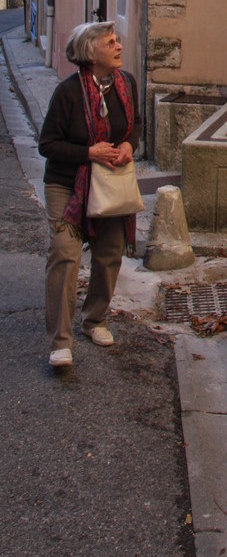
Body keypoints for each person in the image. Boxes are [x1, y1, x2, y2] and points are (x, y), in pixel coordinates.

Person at [39, 21, 142, 370]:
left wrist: (128, 144)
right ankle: (61, 341)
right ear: (90, 52)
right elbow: (47, 145)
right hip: (67, 185)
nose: (118, 46)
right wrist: (88, 153)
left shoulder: (126, 84)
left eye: (116, 40)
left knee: (110, 253)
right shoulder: (68, 93)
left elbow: (136, 124)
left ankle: (94, 319)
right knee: (65, 255)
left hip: (110, 182)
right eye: (110, 42)